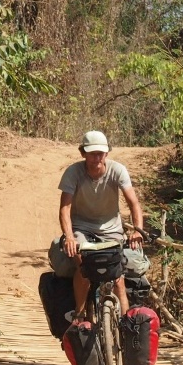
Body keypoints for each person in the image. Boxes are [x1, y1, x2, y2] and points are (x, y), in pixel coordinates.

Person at [57, 130, 144, 319]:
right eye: (92, 153)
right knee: (83, 268)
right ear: (83, 153)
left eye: (100, 153)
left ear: (106, 154)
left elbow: (133, 202)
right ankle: (79, 316)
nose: (96, 158)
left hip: (111, 229)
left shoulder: (117, 170)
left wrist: (137, 230)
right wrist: (70, 237)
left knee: (118, 276)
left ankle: (125, 321)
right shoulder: (73, 173)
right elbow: (65, 208)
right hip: (82, 228)